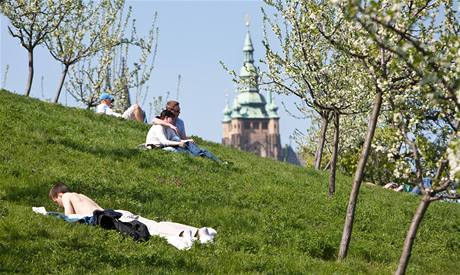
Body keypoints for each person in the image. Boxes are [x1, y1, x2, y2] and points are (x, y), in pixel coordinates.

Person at [44, 183, 217, 249]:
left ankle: (184, 236)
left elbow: (68, 217)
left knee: (152, 230)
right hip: (119, 212)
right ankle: (198, 231)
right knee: (156, 224)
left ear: (58, 195)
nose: (58, 204)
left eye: (56, 202)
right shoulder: (81, 195)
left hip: (114, 217)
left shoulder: (67, 196)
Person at [146, 110, 222, 162]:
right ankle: (198, 157)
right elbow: (164, 142)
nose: (173, 121)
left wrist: (186, 141)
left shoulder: (168, 128)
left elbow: (175, 139)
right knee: (180, 150)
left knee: (190, 145)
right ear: (166, 118)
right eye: (171, 119)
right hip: (156, 148)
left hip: (165, 146)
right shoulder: (158, 127)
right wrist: (179, 143)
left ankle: (216, 160)